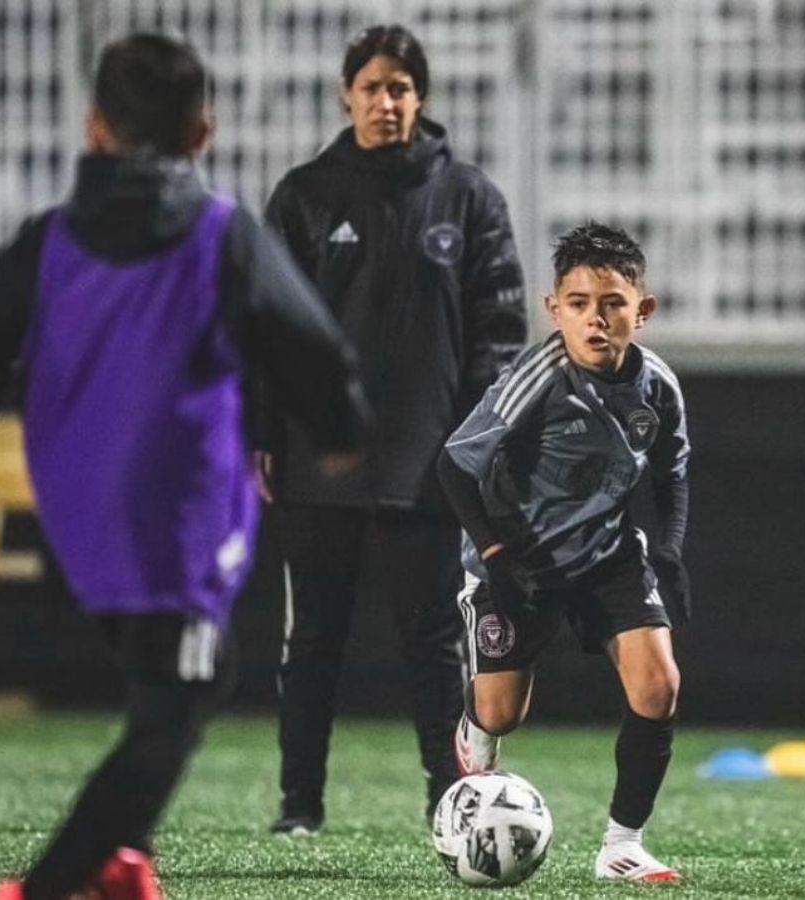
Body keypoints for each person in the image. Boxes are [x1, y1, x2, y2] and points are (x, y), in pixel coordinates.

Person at [0, 34, 368, 900]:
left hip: (78, 517)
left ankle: (122, 867)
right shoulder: (223, 237)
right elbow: (310, 346)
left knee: (159, 685)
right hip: (177, 516)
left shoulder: (46, 243)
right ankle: (48, 888)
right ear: (202, 133)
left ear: (94, 129)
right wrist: (341, 427)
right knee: (182, 701)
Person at [259, 23, 528, 834]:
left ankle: (449, 803)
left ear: (422, 99)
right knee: (312, 644)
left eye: (401, 88)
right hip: (321, 462)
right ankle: (299, 807)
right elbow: (270, 328)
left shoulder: (470, 198)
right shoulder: (304, 195)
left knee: (436, 646)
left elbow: (500, 332)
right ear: (347, 95)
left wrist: (475, 445)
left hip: (429, 461)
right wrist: (266, 431)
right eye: (373, 87)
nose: (387, 101)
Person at [436, 222, 691, 882]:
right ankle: (476, 733)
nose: (595, 319)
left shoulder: (658, 388)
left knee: (658, 685)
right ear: (555, 311)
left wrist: (668, 551)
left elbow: (671, 474)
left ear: (643, 310)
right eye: (578, 304)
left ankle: (622, 846)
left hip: (607, 555)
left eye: (611, 302)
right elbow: (457, 466)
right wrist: (496, 557)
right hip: (518, 558)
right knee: (500, 712)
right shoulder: (538, 377)